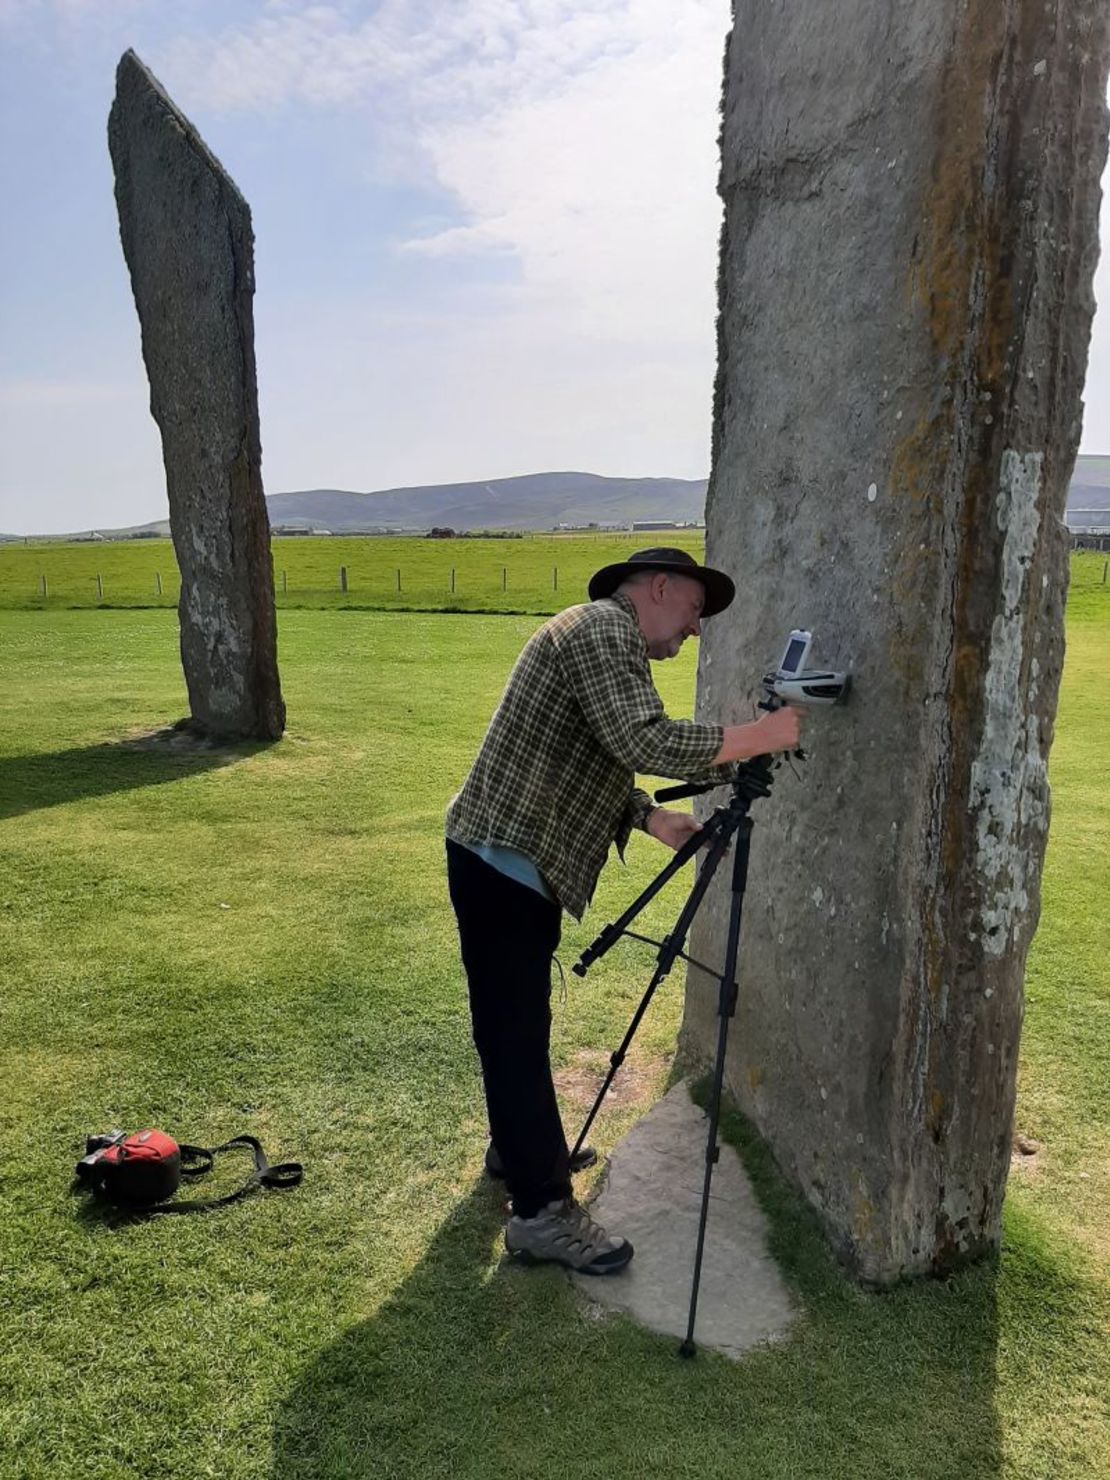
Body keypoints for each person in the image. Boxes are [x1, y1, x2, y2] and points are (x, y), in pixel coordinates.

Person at [445, 547, 802, 1275]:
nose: (695, 631)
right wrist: (759, 738)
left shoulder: (597, 633)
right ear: (660, 588)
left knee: (518, 1025)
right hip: (501, 861)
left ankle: (523, 1148)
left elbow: (592, 752)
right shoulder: (605, 630)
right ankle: (541, 1211)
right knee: (513, 1032)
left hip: (504, 859)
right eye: (696, 612)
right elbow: (641, 739)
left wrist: (649, 818)